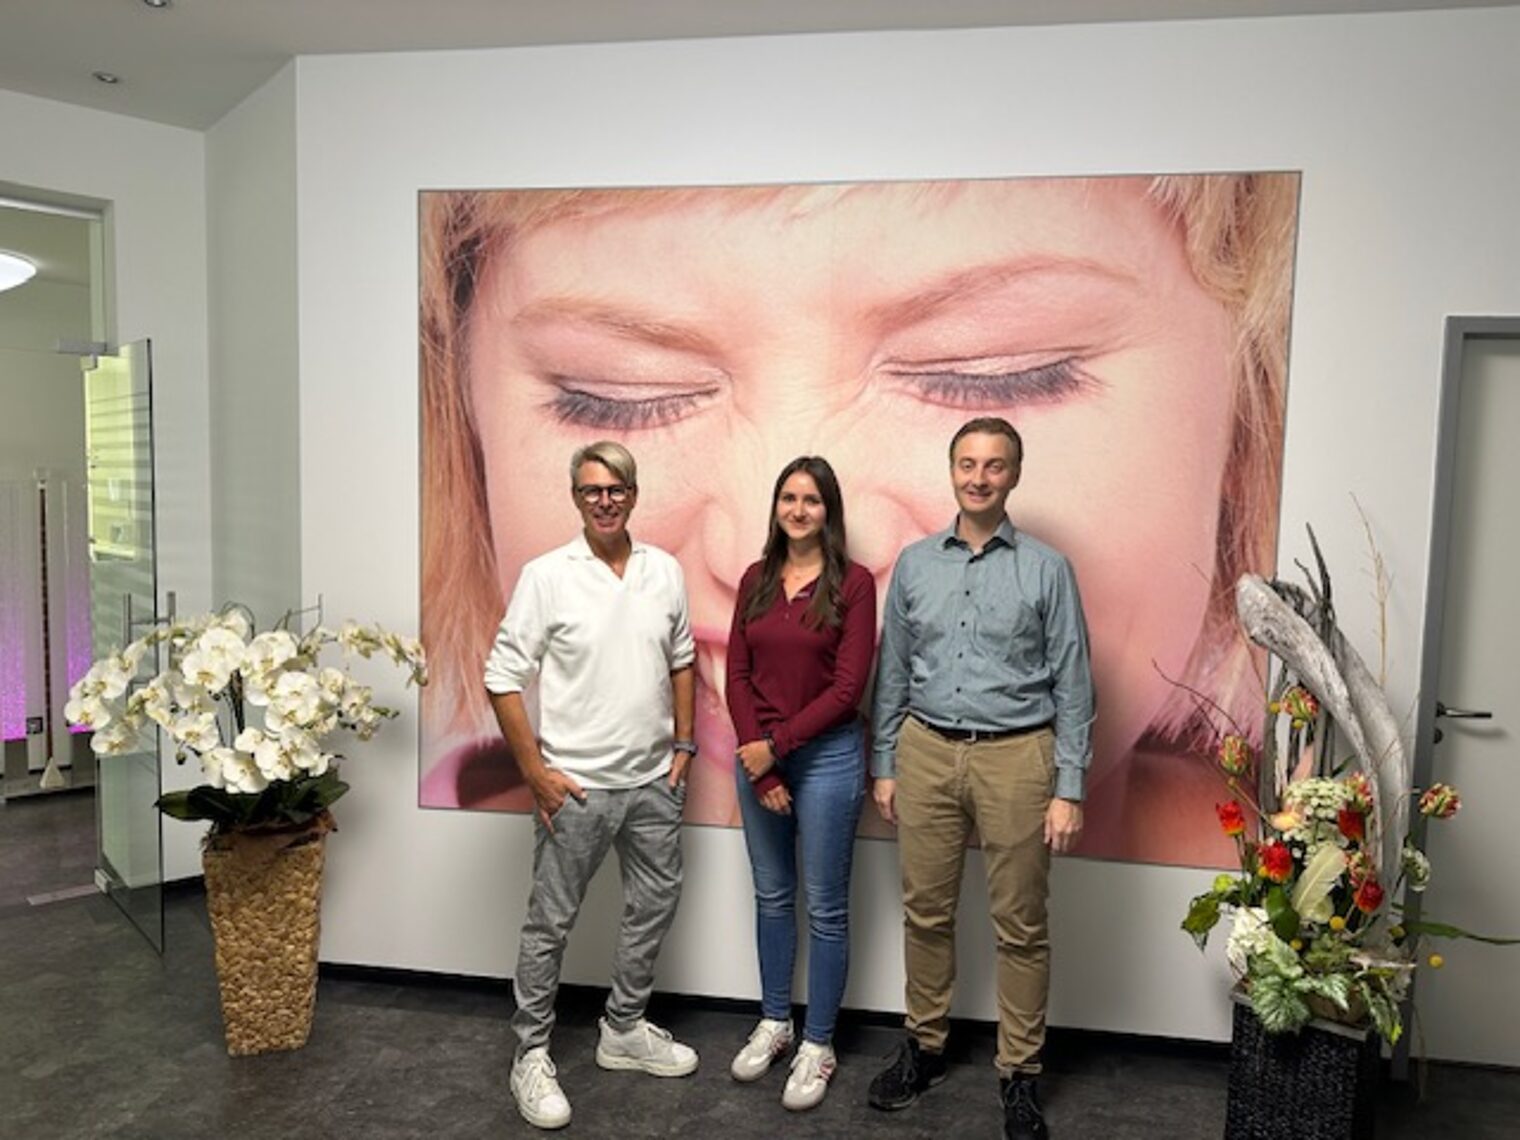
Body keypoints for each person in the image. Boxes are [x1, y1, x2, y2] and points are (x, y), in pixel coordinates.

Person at [420, 173, 1297, 867]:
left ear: (1250, 412)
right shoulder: (442, 859)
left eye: (992, 373)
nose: (753, 549)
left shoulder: (1316, 886)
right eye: (618, 393)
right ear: (462, 428)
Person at [867, 417, 1094, 1140]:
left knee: (1021, 926)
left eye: (994, 465)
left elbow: (1075, 683)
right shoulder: (914, 564)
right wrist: (885, 763)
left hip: (1018, 758)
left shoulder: (1047, 568)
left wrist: (1069, 786)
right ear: (952, 471)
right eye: (967, 462)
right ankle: (925, 1046)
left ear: (1014, 476)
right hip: (926, 751)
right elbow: (893, 669)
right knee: (925, 912)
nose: (979, 476)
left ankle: (1020, 1071)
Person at [484, 441, 699, 1131]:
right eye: (589, 491)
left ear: (633, 493)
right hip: (574, 790)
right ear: (576, 498)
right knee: (550, 925)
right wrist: (535, 772)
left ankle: (624, 1028)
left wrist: (685, 747)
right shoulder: (547, 575)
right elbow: (502, 676)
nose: (603, 500)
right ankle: (531, 1055)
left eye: (614, 489)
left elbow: (684, 660)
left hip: (651, 787)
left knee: (653, 906)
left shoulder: (664, 570)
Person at [723, 456, 876, 1111]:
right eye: (789, 497)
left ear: (828, 511)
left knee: (826, 907)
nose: (798, 509)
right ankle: (776, 1022)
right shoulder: (756, 579)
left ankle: (819, 1043)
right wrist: (762, 767)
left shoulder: (856, 584)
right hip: (761, 760)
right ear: (776, 507)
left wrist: (777, 750)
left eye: (811, 499)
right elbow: (736, 677)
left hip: (830, 758)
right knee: (772, 897)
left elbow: (848, 689)